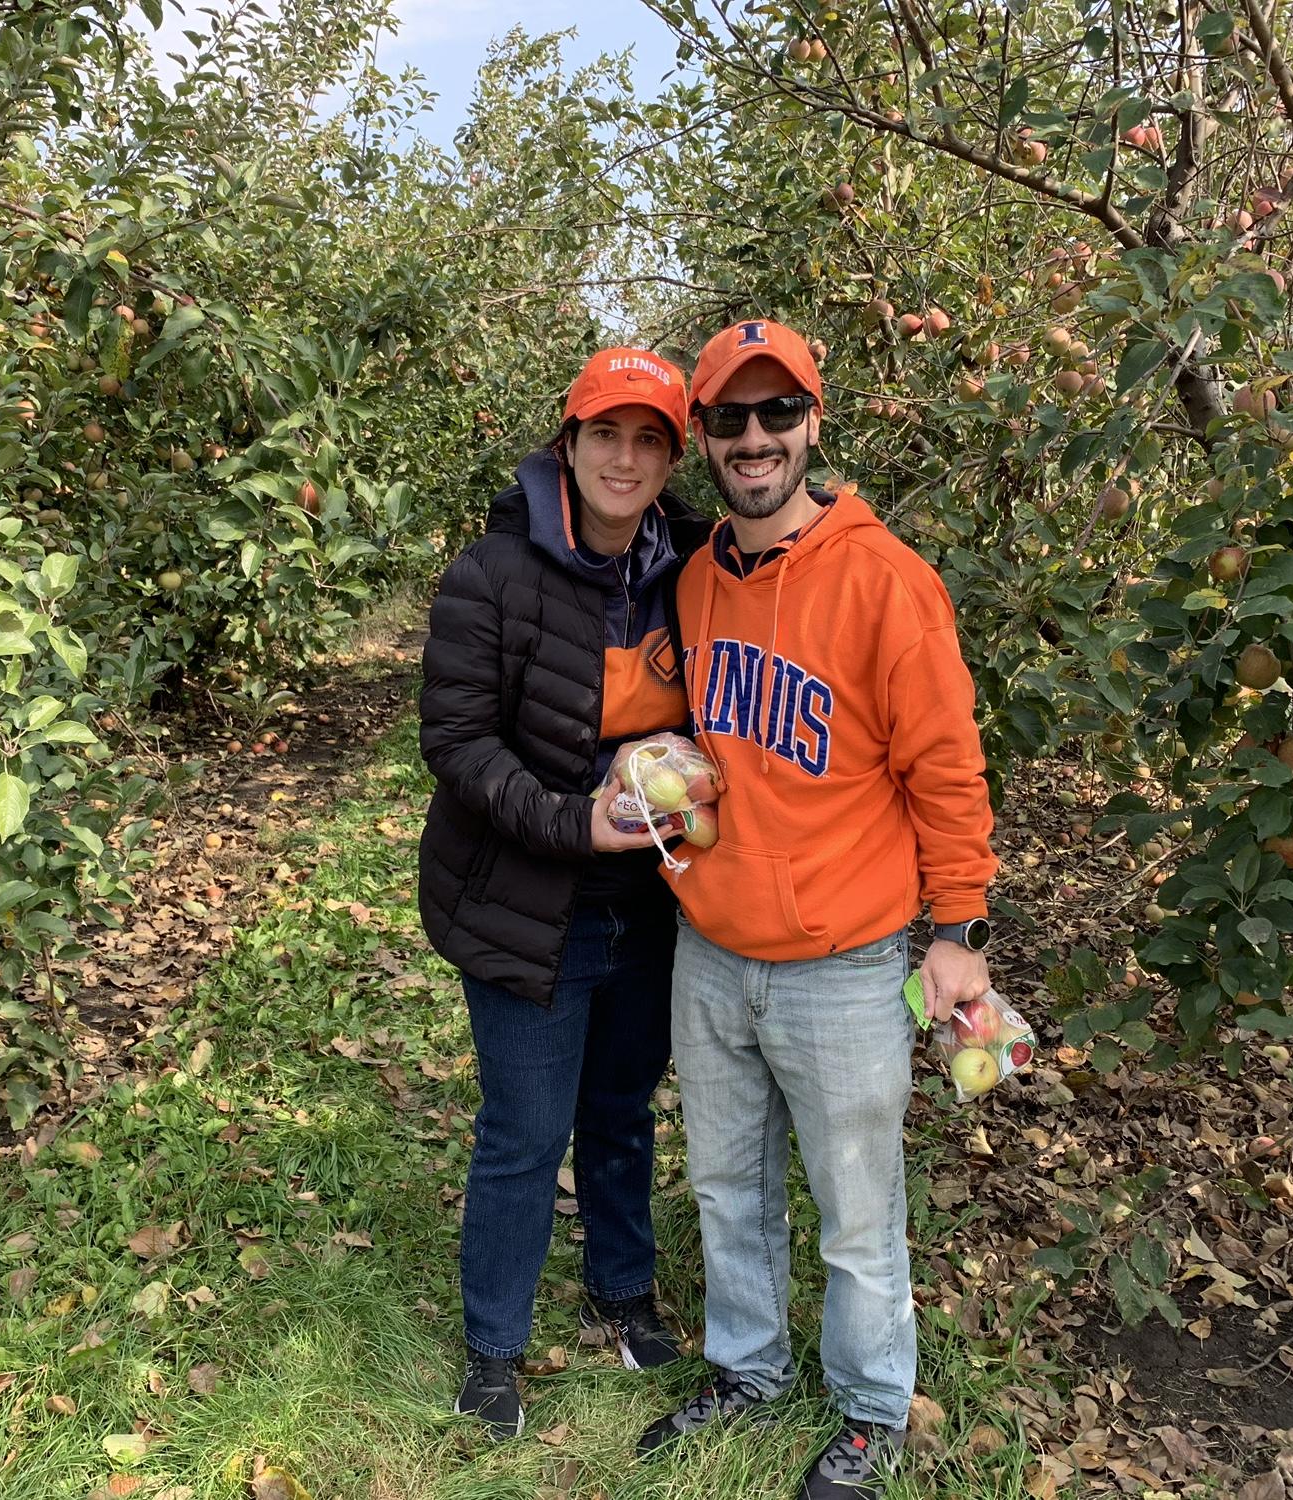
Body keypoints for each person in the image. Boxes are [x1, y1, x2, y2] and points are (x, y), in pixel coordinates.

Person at [637, 319, 998, 1499]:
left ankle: (872, 1409)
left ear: (813, 423)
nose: (756, 438)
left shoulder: (886, 579)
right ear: (703, 438)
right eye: (730, 418)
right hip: (710, 947)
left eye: (778, 412)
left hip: (843, 963)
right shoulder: (696, 580)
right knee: (727, 1188)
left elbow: (946, 766)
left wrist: (959, 931)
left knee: (855, 1211)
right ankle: (747, 1370)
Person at [418, 346, 712, 1440]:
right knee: (526, 1130)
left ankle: (620, 1292)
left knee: (622, 1112)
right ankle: (493, 1349)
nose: (624, 459)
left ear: (670, 459)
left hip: (654, 900)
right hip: (528, 898)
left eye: (648, 440)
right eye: (605, 435)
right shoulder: (493, 574)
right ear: (569, 443)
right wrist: (573, 820)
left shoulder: (692, 569)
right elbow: (457, 741)